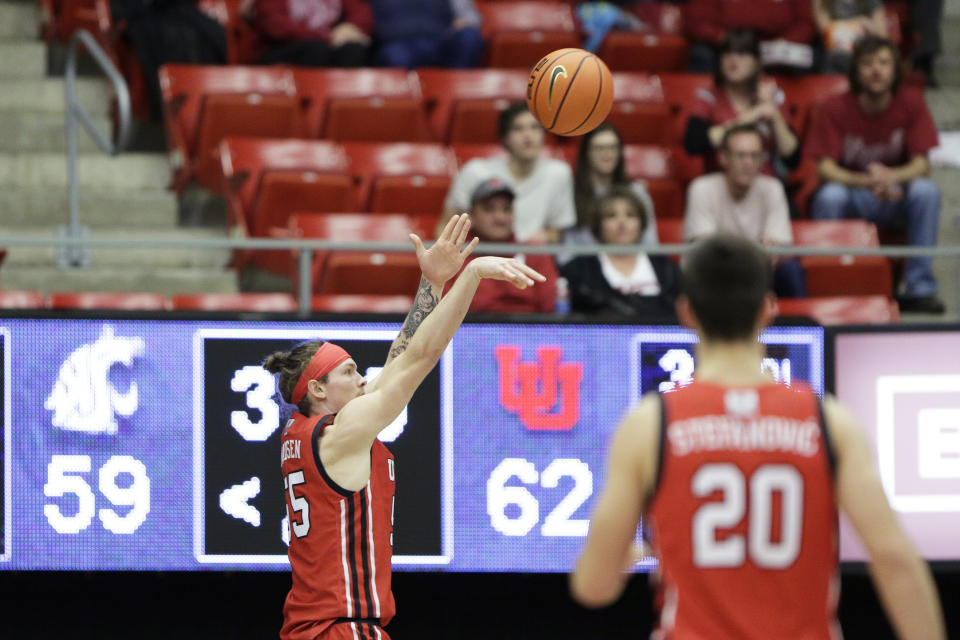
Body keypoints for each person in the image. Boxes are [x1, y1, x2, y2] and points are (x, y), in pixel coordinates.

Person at [570, 234, 946, 640]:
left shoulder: (649, 424)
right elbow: (894, 561)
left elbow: (593, 587)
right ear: (769, 308)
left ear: (686, 313)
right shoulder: (828, 421)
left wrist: (632, 555)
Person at [266, 214, 545, 640]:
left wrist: (432, 284)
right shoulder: (342, 430)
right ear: (319, 389)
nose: (362, 378)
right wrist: (471, 276)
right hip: (342, 630)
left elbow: (399, 355)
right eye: (349, 372)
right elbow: (420, 358)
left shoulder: (308, 432)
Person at [805, 36, 944, 313]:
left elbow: (922, 164)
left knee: (926, 192)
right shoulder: (834, 107)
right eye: (868, 63)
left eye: (883, 62)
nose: (876, 70)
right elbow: (825, 167)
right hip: (852, 193)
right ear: (856, 70)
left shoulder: (912, 102)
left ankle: (920, 288)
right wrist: (865, 181)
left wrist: (890, 176)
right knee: (830, 196)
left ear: (895, 70)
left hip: (894, 194)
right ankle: (829, 284)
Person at [685, 124, 806, 298]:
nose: (748, 162)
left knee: (790, 269)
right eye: (740, 155)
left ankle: (800, 324)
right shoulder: (701, 188)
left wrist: (768, 252)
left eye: (755, 155)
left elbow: (778, 248)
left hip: (759, 270)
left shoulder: (773, 188)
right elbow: (706, 247)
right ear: (723, 157)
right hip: (716, 270)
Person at [441, 102, 577, 244]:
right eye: (518, 129)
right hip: (482, 253)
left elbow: (557, 233)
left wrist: (545, 238)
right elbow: (445, 227)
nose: (528, 136)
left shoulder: (559, 173)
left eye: (535, 127)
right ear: (504, 138)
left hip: (532, 257)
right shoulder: (475, 171)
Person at [683, 30, 800, 179]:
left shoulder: (771, 95)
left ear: (756, 61)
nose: (733, 61)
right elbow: (693, 144)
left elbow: (792, 158)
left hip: (764, 181)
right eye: (727, 54)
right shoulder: (708, 96)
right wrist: (751, 116)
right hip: (721, 182)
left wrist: (774, 114)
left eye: (742, 54)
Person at [560, 187, 680, 317]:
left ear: (642, 224)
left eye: (630, 215)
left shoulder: (668, 269)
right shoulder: (577, 271)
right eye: (611, 216)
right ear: (598, 225)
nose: (622, 223)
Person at [445, 178, 559, 313]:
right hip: (464, 332)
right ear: (472, 214)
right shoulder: (452, 256)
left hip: (526, 332)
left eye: (506, 209)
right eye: (489, 209)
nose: (500, 217)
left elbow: (549, 313)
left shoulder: (535, 255)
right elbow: (437, 316)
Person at [571, 123, 659, 246]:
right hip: (581, 263)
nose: (607, 153)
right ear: (587, 152)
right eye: (600, 148)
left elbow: (650, 243)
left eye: (613, 147)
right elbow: (565, 250)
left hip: (629, 262)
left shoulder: (637, 192)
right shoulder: (571, 194)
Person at [683, 0, 816, 73]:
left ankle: (801, 112)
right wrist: (726, 39)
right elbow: (696, 24)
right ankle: (706, 107)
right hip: (727, 45)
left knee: (813, 55)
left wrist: (784, 42)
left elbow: (806, 23)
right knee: (701, 54)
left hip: (778, 48)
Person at [252, 0, 373, 67]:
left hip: (328, 44)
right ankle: (309, 108)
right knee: (316, 49)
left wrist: (350, 27)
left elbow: (362, 14)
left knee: (353, 50)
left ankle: (345, 107)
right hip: (280, 48)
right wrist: (328, 36)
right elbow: (276, 27)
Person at [369, 0, 484, 69]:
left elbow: (471, 18)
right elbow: (361, 17)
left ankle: (457, 98)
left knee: (469, 37)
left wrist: (464, 22)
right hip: (397, 44)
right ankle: (405, 106)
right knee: (396, 56)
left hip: (440, 41)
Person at [812, 0, 888, 73]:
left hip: (864, 48)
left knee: (874, 59)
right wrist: (860, 22)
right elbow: (825, 29)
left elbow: (882, 35)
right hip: (834, 49)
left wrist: (868, 25)